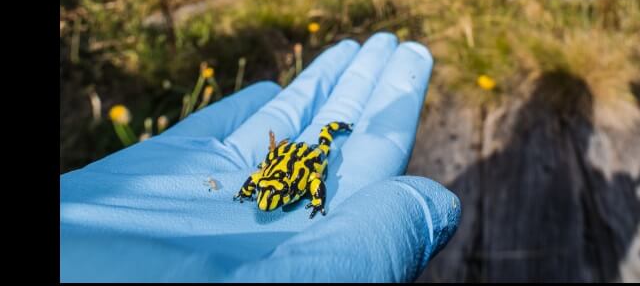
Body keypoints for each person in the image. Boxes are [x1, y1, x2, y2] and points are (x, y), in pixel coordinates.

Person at [60, 33, 461, 282]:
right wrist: (247, 193)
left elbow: (313, 179)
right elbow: (261, 182)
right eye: (264, 196)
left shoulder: (296, 182)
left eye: (267, 196)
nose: (265, 201)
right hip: (283, 162)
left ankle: (341, 126)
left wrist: (316, 201)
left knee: (325, 136)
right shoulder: (269, 187)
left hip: (301, 158)